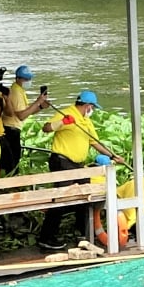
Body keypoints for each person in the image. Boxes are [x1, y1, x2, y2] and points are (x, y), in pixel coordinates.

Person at [37, 91, 105, 250]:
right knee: (61, 198)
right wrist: (61, 123)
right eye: (93, 107)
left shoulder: (86, 121)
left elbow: (95, 142)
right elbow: (46, 128)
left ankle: (82, 232)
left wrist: (113, 156)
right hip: (62, 162)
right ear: (88, 106)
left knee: (85, 196)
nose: (92, 110)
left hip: (79, 165)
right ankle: (47, 237)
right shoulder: (67, 112)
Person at [0, 65, 48, 175]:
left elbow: (26, 112)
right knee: (12, 163)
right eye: (25, 79)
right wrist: (38, 102)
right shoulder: (16, 92)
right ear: (17, 79)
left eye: (29, 79)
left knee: (14, 160)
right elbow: (21, 116)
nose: (28, 81)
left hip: (14, 129)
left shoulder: (20, 90)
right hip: (10, 130)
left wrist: (40, 107)